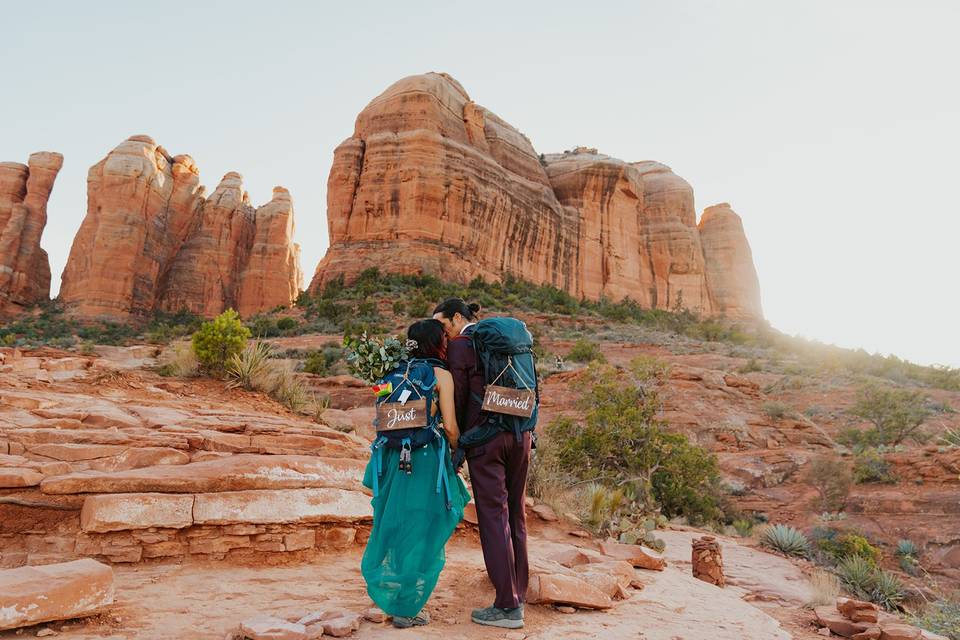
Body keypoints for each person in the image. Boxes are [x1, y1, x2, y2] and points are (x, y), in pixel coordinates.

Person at [360, 319, 471, 629]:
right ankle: (407, 606)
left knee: (395, 522)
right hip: (424, 461)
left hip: (391, 459)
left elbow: (380, 408)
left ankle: (391, 592)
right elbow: (449, 426)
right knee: (424, 525)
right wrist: (458, 448)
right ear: (439, 344)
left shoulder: (389, 374)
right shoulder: (441, 376)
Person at [433, 298, 530, 630]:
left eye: (445, 325)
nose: (444, 335)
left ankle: (507, 607)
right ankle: (519, 589)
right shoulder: (511, 341)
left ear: (458, 318)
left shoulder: (463, 345)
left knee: (493, 517)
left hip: (486, 441)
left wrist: (457, 444)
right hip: (521, 435)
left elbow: (458, 397)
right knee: (515, 513)